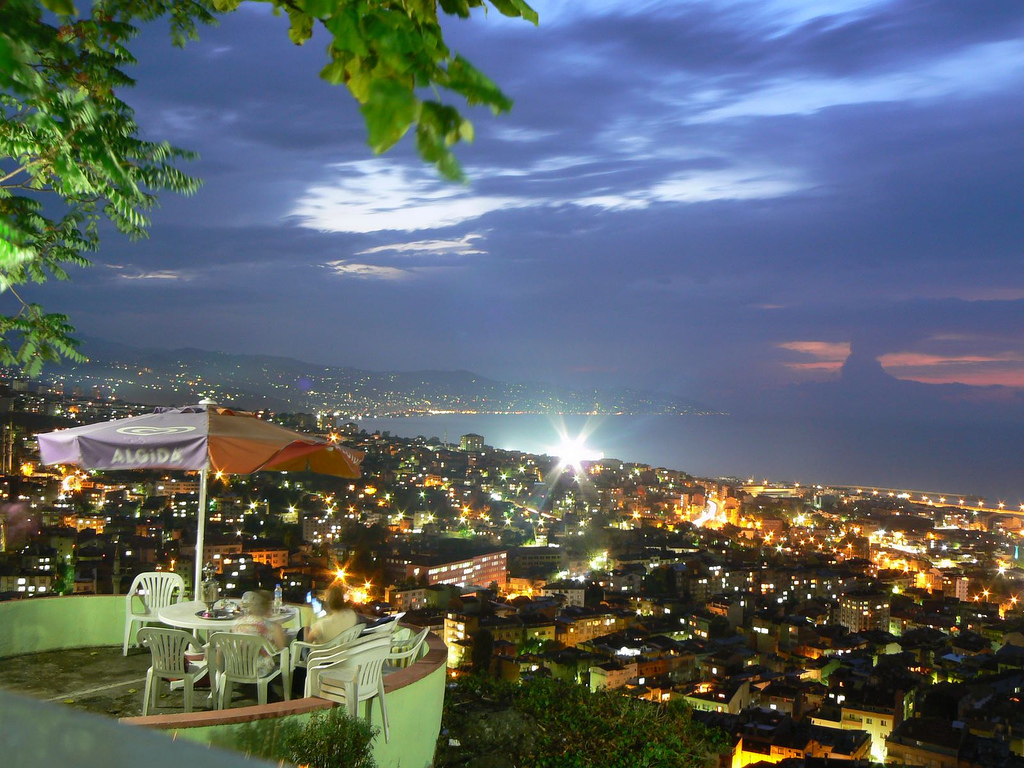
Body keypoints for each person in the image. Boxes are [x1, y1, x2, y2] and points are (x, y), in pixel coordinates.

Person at [233, 590, 286, 675]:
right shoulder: (269, 626)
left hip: (237, 667)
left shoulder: (237, 622)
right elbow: (281, 648)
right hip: (259, 670)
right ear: (267, 608)